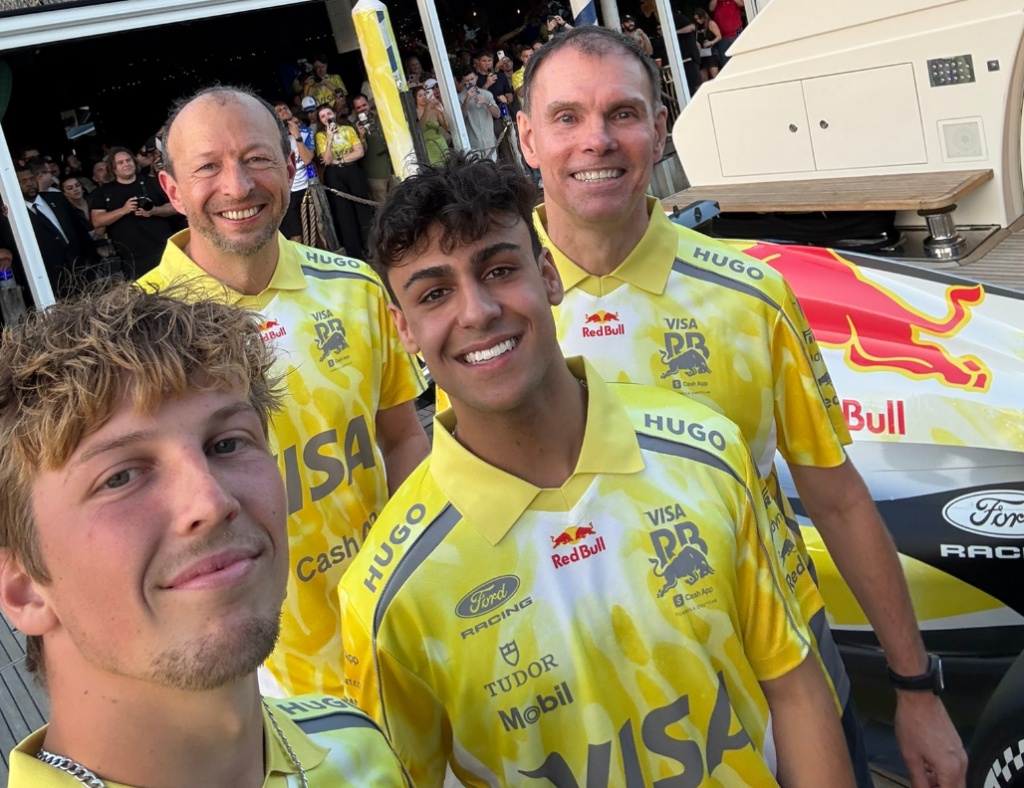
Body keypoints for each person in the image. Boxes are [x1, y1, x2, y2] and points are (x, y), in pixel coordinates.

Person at [516, 25, 969, 788]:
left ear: (660, 130)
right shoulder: (486, 315)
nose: (597, 139)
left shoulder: (751, 296)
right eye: (567, 117)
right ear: (529, 138)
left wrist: (916, 688)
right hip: (598, 694)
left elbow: (838, 498)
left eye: (623, 113)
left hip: (784, 664)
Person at [340, 153, 854, 787]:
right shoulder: (386, 594)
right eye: (435, 293)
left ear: (548, 276)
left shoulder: (709, 453)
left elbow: (794, 687)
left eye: (499, 270)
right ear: (404, 331)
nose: (477, 311)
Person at [0, 284, 411, 787]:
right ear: (23, 586)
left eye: (227, 444)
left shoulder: (359, 748)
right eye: (121, 477)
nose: (211, 502)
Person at [139, 85, 429, 698]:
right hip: (254, 680)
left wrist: (419, 570)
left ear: (291, 163)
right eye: (208, 167)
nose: (238, 185)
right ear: (172, 190)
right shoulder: (136, 337)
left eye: (257, 158)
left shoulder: (355, 289)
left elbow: (404, 439)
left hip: (399, 634)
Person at [89, 146, 178, 277]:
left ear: (134, 162)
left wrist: (155, 210)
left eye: (128, 160)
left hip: (166, 250)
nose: (126, 164)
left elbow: (175, 206)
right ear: (113, 167)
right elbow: (97, 221)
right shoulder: (104, 192)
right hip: (133, 260)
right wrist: (123, 210)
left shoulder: (152, 182)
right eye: (120, 162)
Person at [16, 164, 96, 298]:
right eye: (23, 181)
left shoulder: (56, 198)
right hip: (53, 279)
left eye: (31, 179)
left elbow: (79, 230)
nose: (30, 184)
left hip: (81, 268)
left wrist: (93, 259)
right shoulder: (15, 215)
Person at [314, 103, 375, 259]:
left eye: (328, 114)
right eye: (323, 116)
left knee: (363, 209)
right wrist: (329, 139)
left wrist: (340, 160)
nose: (327, 118)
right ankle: (355, 254)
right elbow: (327, 160)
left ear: (334, 114)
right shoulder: (320, 136)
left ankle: (370, 247)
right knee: (344, 214)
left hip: (352, 170)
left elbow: (359, 152)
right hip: (334, 176)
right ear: (320, 120)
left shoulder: (348, 129)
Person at [273, 99, 316, 242]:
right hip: (287, 190)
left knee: (315, 229)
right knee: (296, 235)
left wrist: (297, 136)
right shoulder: (273, 137)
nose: (283, 111)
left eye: (285, 107)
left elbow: (307, 159)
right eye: (279, 110)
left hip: (306, 188)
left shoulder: (305, 131)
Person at [351, 93, 394, 206]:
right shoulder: (354, 127)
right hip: (374, 174)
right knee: (382, 207)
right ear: (354, 110)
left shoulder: (379, 117)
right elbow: (361, 151)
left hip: (391, 168)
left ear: (368, 104)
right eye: (358, 107)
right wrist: (361, 136)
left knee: (398, 202)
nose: (362, 109)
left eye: (364, 105)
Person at [455, 65, 500, 161]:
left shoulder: (487, 94)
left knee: (493, 168)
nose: (470, 82)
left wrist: (487, 103)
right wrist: (467, 100)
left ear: (476, 77)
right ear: (462, 81)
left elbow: (497, 114)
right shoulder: (459, 98)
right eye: (467, 81)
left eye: (472, 79)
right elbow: (460, 119)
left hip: (490, 143)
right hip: (473, 146)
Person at [414, 85, 450, 166]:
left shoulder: (434, 110)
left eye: (425, 94)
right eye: (420, 96)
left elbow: (448, 128)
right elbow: (420, 129)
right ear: (415, 99)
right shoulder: (414, 113)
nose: (424, 97)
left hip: (440, 145)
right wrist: (427, 110)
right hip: (426, 148)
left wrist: (442, 112)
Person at [709, 0, 744, 65]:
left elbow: (742, 3)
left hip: (737, 33)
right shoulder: (717, 3)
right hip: (723, 37)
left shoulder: (733, 1)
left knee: (741, 57)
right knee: (726, 62)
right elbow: (711, 8)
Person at [693, 8, 722, 82]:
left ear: (703, 16)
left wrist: (711, 42)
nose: (698, 21)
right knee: (703, 78)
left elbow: (719, 36)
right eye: (696, 19)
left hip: (711, 52)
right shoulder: (696, 26)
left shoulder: (710, 23)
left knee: (714, 75)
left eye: (699, 18)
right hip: (702, 53)